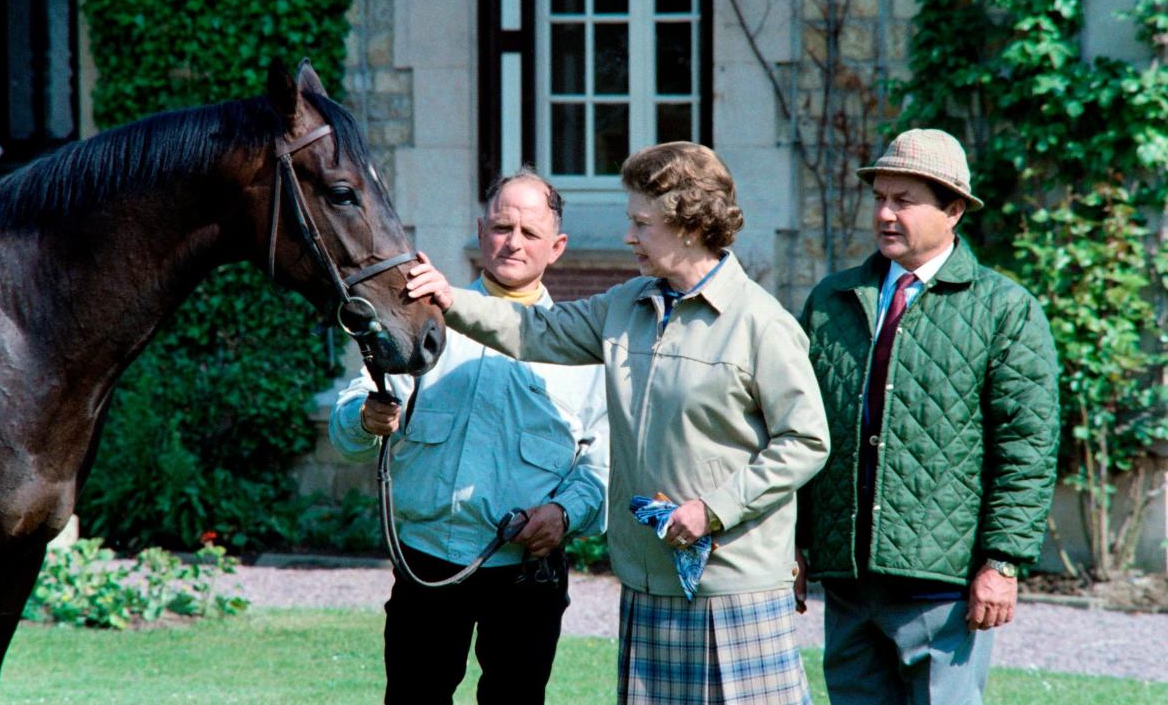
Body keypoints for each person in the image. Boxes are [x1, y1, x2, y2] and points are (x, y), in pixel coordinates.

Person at [405, 142, 830, 704]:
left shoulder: (761, 324)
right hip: (647, 579)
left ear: (689, 224)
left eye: (640, 223)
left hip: (733, 586)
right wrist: (449, 299)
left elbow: (806, 440)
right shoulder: (626, 304)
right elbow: (538, 330)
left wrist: (714, 509)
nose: (628, 236)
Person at [796, 128, 1060, 704]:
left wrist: (1002, 562)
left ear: (955, 209)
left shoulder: (1004, 310)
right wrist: (791, 544)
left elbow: (1027, 449)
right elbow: (797, 433)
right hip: (847, 587)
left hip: (942, 593)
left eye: (905, 201)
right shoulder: (831, 302)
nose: (886, 214)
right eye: (880, 198)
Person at [329, 168, 609, 705]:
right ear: (480, 230)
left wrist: (565, 514)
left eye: (530, 233)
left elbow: (604, 463)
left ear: (558, 246)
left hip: (527, 571)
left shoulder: (583, 344)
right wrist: (366, 420)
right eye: (503, 227)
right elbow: (349, 426)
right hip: (426, 560)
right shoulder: (420, 318)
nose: (513, 243)